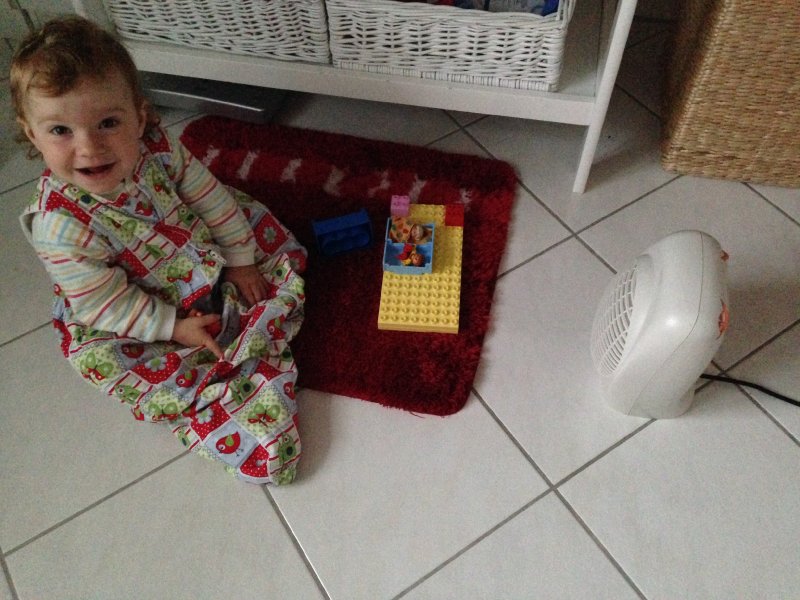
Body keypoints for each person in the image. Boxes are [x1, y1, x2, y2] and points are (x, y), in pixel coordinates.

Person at [11, 16, 307, 485]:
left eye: (109, 123)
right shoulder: (59, 226)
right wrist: (173, 327)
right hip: (126, 304)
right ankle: (223, 398)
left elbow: (210, 199)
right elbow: (105, 304)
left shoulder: (159, 148)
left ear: (140, 116)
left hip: (194, 253)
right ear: (32, 134)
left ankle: (238, 317)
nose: (89, 147)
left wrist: (240, 260)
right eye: (60, 130)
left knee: (261, 237)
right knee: (110, 360)